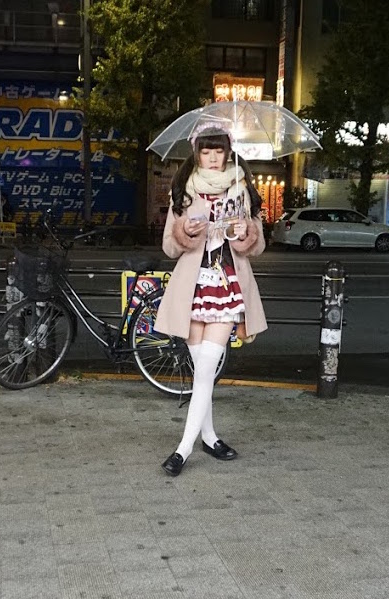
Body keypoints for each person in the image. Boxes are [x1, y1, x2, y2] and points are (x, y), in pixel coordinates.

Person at [154, 125, 267, 477]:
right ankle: (210, 437)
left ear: (228, 151)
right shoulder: (184, 191)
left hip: (227, 285)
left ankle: (182, 450)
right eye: (206, 151)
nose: (214, 157)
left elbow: (258, 245)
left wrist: (246, 233)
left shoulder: (242, 190)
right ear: (196, 153)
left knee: (205, 370)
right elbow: (168, 248)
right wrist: (183, 231)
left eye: (219, 150)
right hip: (192, 288)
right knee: (201, 371)